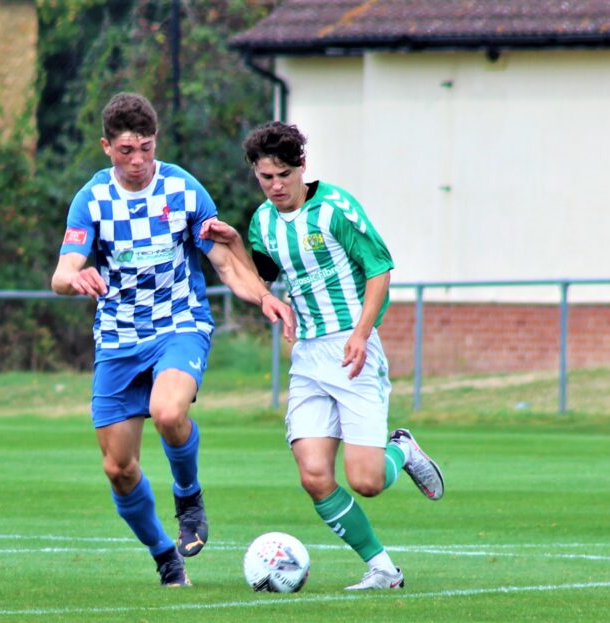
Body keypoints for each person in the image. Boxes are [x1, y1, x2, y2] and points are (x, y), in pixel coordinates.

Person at [52, 94, 294, 588]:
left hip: (178, 325)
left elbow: (224, 261)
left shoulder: (183, 189)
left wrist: (262, 297)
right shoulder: (92, 199)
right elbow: (62, 272)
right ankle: (166, 557)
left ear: (155, 141)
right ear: (106, 147)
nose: (137, 160)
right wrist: (76, 279)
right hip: (118, 338)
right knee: (118, 468)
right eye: (125, 150)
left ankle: (189, 496)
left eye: (145, 147)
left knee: (167, 412)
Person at [200, 121, 445, 591]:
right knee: (314, 476)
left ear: (302, 168)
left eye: (283, 176)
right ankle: (383, 569)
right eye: (265, 178)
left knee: (367, 481)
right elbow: (264, 276)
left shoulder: (334, 208)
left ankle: (403, 449)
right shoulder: (263, 222)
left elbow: (380, 270)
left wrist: (362, 331)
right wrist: (232, 243)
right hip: (308, 357)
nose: (275, 187)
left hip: (352, 350)